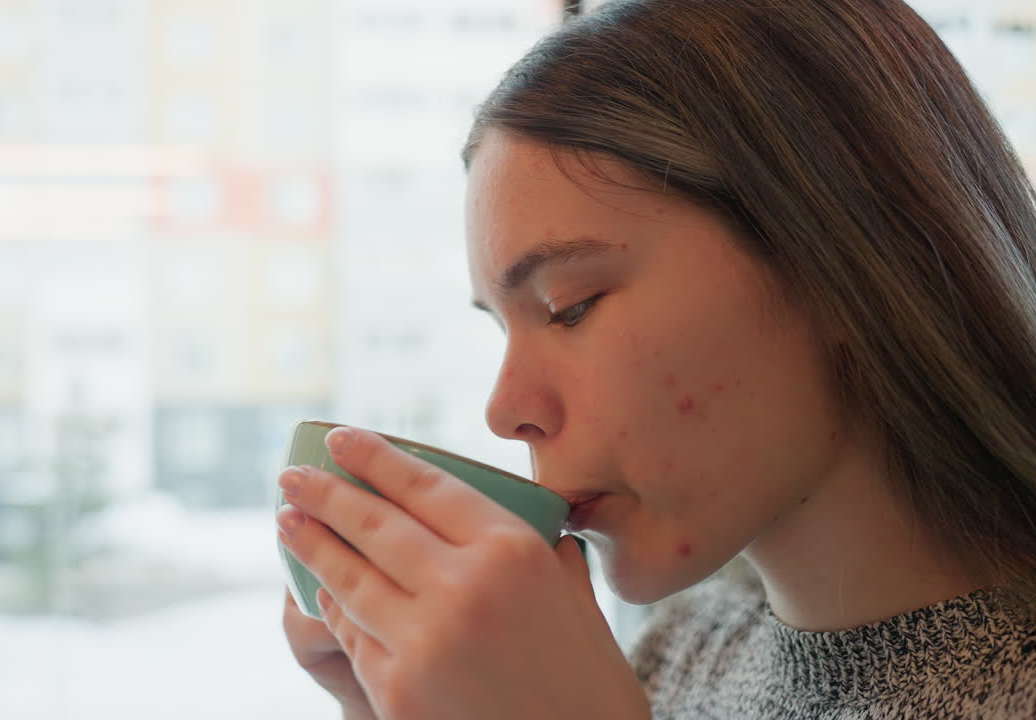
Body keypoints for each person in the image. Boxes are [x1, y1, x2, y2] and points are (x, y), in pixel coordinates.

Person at [276, 0, 1036, 717]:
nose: (505, 410)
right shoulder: (672, 652)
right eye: (500, 330)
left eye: (569, 306)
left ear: (842, 264)